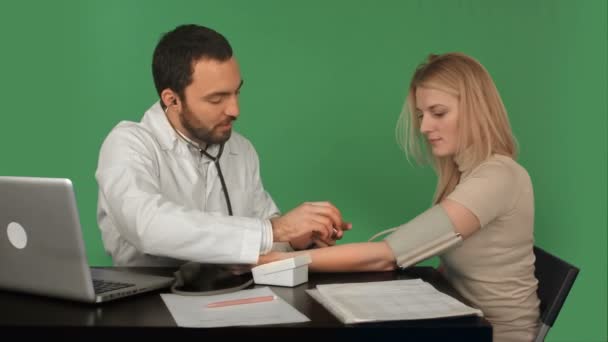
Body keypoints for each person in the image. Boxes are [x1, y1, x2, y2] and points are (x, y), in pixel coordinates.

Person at [258, 52, 540, 342]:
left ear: (475, 110)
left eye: (438, 113)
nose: (424, 127)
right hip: (465, 323)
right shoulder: (465, 175)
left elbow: (387, 256)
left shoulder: (498, 178)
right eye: (421, 115)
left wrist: (280, 259)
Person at [95, 24, 351, 267]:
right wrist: (277, 230)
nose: (234, 110)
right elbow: (147, 226)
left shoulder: (241, 149)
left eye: (236, 92)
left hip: (231, 297)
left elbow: (265, 237)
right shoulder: (128, 144)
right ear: (172, 100)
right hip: (148, 303)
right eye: (217, 98)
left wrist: (294, 240)